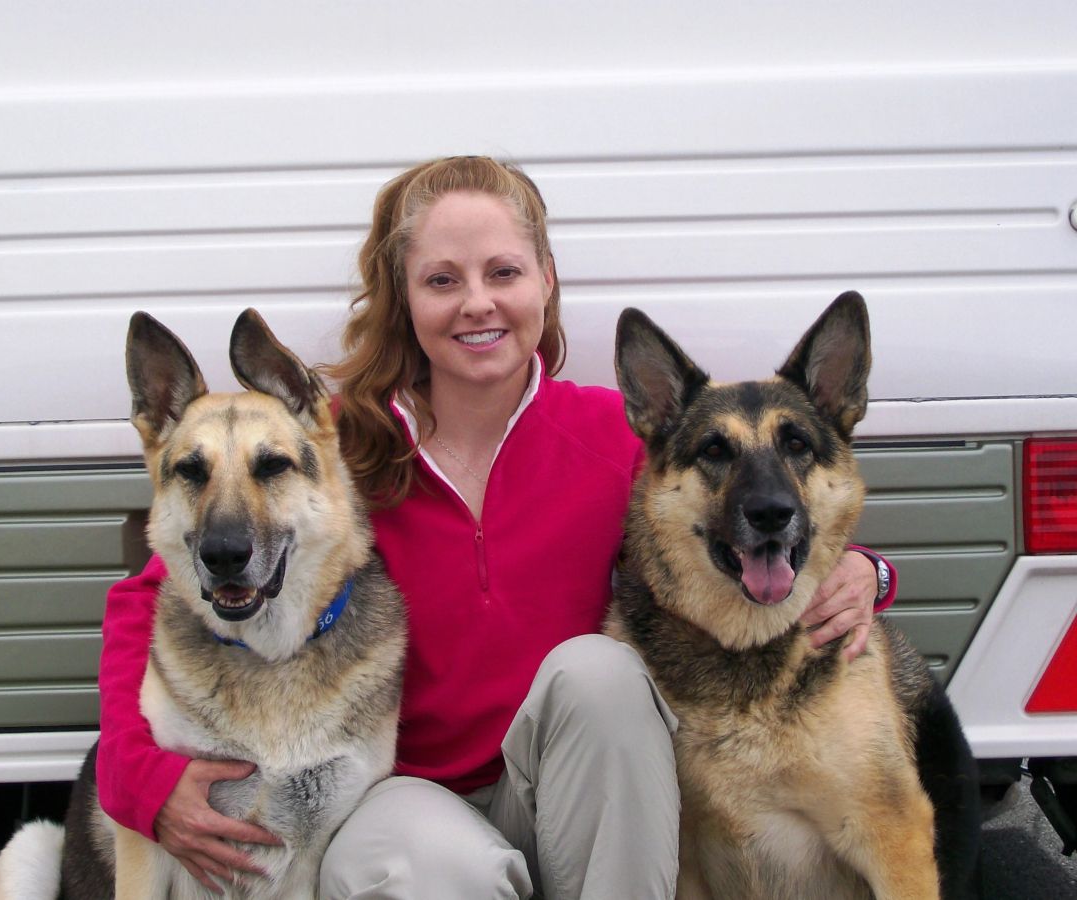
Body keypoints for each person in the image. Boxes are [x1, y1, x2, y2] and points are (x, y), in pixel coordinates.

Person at [96, 156, 895, 899]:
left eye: (503, 272)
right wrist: (139, 781)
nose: (477, 302)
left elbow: (737, 518)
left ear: (545, 282)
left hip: (564, 782)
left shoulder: (613, 437)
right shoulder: (334, 449)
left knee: (603, 675)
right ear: (405, 300)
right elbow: (153, 596)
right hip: (406, 793)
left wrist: (863, 570)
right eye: (442, 279)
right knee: (435, 866)